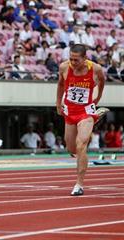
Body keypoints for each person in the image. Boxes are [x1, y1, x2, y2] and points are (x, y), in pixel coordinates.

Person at [56, 44, 109, 196]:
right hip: (70, 111)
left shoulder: (95, 69)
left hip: (86, 111)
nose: (73, 63)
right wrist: (58, 103)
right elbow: (60, 85)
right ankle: (96, 116)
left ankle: (79, 184)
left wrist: (97, 98)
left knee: (81, 145)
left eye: (76, 60)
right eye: (70, 59)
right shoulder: (64, 68)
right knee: (71, 149)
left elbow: (102, 82)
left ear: (85, 58)